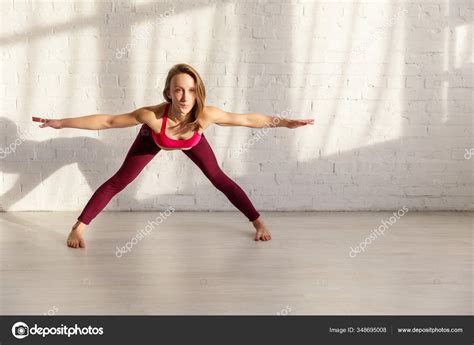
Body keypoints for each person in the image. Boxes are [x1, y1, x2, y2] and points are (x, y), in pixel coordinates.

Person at [33, 63, 314, 248]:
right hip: (156, 139)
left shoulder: (205, 115)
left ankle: (258, 222)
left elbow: (247, 119)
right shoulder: (153, 117)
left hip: (191, 141)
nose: (184, 96)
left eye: (191, 90)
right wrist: (61, 122)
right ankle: (78, 227)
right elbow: (107, 121)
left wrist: (285, 122)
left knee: (219, 178)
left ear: (197, 92)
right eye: (178, 89)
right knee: (120, 180)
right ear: (168, 92)